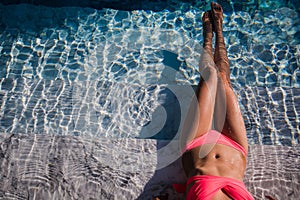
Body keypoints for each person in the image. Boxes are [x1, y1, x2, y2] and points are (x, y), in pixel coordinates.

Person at [173, 2, 254, 200]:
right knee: (224, 81)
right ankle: (219, 27)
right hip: (235, 145)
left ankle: (208, 35)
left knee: (209, 76)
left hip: (196, 143)